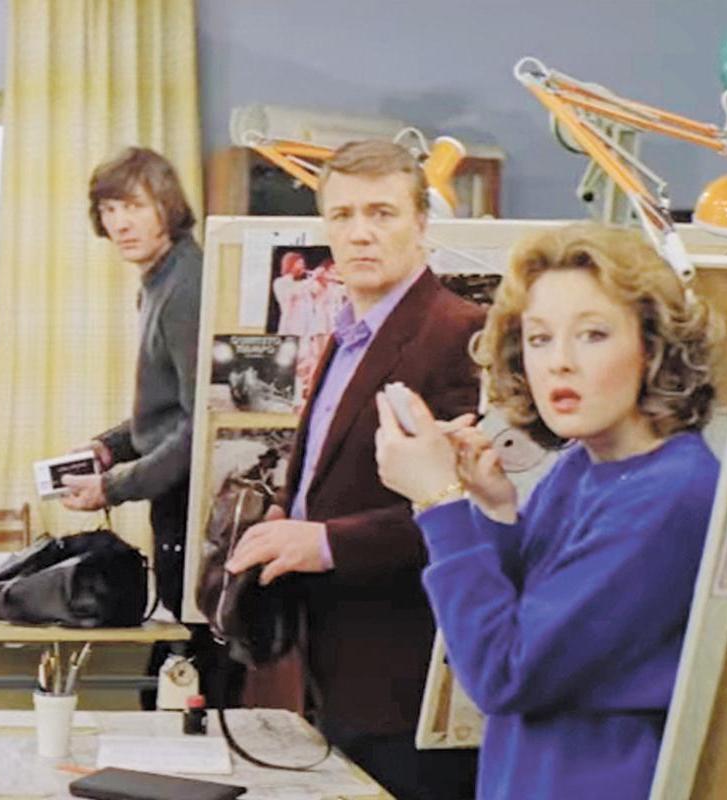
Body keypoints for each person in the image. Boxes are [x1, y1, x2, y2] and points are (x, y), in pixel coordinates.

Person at [375, 223, 721, 799]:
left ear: (652, 348)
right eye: (539, 339)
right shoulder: (585, 465)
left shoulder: (669, 494)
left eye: (593, 335)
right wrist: (494, 511)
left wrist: (440, 502)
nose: (559, 362)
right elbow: (516, 617)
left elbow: (503, 673)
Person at [225, 139, 484, 800]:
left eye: (382, 213)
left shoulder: (460, 334)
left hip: (405, 679)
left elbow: (471, 509)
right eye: (342, 215)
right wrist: (289, 512)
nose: (360, 232)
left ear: (421, 222)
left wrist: (326, 542)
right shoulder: (345, 334)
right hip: (328, 665)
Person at [60, 146, 200, 621]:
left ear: (168, 206)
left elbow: (201, 423)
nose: (120, 224)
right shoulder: (160, 280)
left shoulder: (185, 286)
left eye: (135, 207)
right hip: (173, 494)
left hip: (190, 499)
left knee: (186, 645)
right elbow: (170, 407)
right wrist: (111, 446)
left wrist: (112, 486)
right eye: (109, 209)